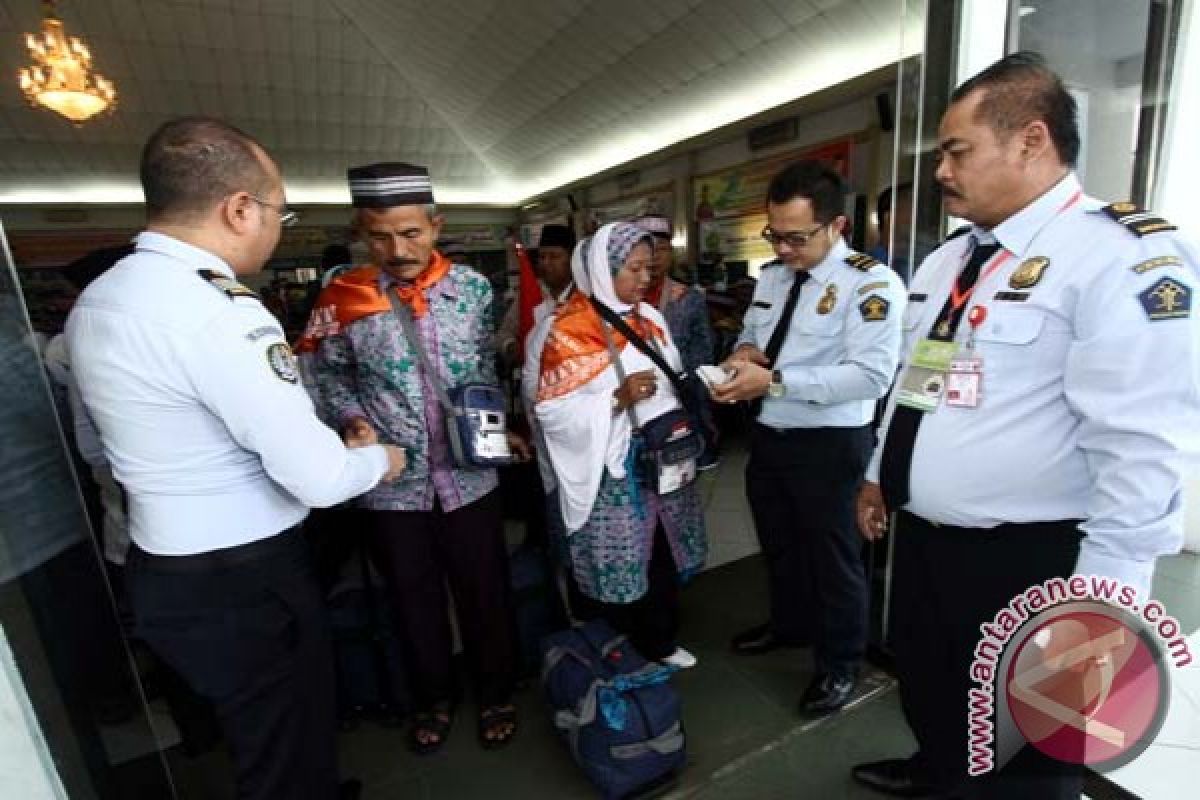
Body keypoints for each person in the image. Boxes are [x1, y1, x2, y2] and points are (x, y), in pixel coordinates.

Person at [851, 53, 1200, 800]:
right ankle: (939, 773)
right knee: (933, 692)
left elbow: (1142, 448)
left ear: (1031, 141)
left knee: (1028, 753)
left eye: (956, 150)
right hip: (925, 546)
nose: (940, 169)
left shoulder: (1119, 258)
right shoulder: (950, 262)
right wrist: (882, 470)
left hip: (1033, 563)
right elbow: (915, 383)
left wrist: (1103, 604)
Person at [66, 117, 405, 800]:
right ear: (239, 209)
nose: (279, 225)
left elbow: (93, 445)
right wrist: (382, 463)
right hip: (245, 577)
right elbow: (317, 476)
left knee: (255, 730)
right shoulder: (222, 313)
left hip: (161, 567)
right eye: (281, 210)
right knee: (285, 744)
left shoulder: (96, 304)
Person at [298, 162, 526, 754]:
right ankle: (433, 696)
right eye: (379, 236)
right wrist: (352, 421)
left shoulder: (473, 290)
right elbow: (326, 375)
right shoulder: (343, 296)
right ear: (359, 231)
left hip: (470, 478)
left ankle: (496, 690)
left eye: (412, 234)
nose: (397, 250)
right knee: (411, 598)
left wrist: (498, 432)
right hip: (393, 485)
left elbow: (483, 372)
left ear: (436, 224)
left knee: (485, 591)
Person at [710, 160, 905, 713]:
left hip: (831, 446)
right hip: (771, 437)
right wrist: (745, 355)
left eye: (797, 237)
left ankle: (840, 664)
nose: (785, 248)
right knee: (779, 543)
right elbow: (753, 335)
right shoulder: (772, 276)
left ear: (836, 226)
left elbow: (871, 375)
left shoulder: (870, 283)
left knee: (834, 560)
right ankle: (789, 625)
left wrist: (772, 381)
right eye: (776, 235)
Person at [534, 222, 708, 668]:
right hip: (617, 471)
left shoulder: (650, 319)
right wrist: (617, 398)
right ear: (602, 269)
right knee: (625, 561)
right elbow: (551, 411)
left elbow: (671, 377)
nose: (645, 279)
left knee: (664, 553)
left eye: (648, 269)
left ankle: (661, 640)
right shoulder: (571, 329)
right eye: (633, 269)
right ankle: (616, 646)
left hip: (663, 457)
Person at [633, 214, 719, 469]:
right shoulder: (622, 298)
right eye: (649, 250)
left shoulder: (688, 298)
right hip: (636, 400)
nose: (655, 258)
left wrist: (686, 383)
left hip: (680, 399)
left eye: (662, 250)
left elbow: (704, 350)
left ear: (670, 253)